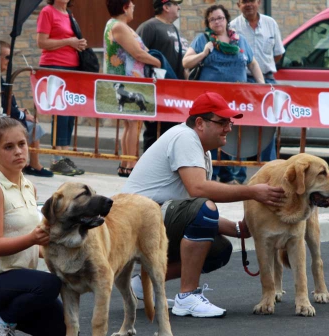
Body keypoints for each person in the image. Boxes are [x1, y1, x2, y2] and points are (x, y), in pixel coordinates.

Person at [121, 92, 284, 317]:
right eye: (222, 122)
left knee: (220, 249)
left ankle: (142, 283)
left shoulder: (199, 148)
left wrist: (238, 229)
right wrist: (253, 192)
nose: (228, 128)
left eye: (230, 122)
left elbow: (187, 211)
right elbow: (197, 191)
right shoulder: (185, 137)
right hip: (136, 224)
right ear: (200, 123)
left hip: (150, 219)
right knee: (205, 208)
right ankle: (187, 297)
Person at [0, 117, 65, 336]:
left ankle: (8, 316)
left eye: (22, 144)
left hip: (23, 280)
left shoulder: (29, 186)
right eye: (9, 147)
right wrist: (33, 239)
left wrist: (62, 256)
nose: (18, 151)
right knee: (49, 284)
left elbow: (34, 244)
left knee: (62, 335)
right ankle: (0, 322)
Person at [183, 4, 264, 185]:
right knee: (212, 136)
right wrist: (204, 53)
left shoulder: (239, 40)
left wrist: (261, 85)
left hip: (237, 102)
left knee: (235, 138)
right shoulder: (202, 39)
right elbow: (186, 62)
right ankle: (209, 177)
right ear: (208, 23)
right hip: (211, 104)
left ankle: (235, 178)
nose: (217, 22)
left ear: (226, 19)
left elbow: (253, 64)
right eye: (212, 19)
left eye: (220, 18)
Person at [104, 0, 162, 176]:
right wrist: (158, 61)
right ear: (124, 7)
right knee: (133, 123)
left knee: (130, 125)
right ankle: (131, 164)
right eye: (132, 4)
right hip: (127, 79)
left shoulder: (116, 25)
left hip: (128, 79)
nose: (134, 7)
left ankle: (125, 163)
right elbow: (137, 53)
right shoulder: (119, 26)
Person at [230, 0, 285, 162]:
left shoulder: (270, 23)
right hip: (242, 80)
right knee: (238, 125)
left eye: (251, 0)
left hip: (268, 81)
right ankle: (237, 175)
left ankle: (269, 168)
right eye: (244, 1)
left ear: (259, 2)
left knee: (269, 124)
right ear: (238, 4)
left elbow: (278, 54)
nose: (248, 4)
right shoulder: (232, 27)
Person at [37, 0, 85, 176]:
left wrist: (78, 44)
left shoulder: (68, 14)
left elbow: (71, 41)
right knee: (60, 112)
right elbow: (41, 42)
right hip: (56, 66)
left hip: (72, 68)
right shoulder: (47, 11)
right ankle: (56, 158)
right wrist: (69, 42)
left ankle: (65, 156)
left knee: (69, 112)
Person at [137, 0, 186, 152]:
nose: (179, 7)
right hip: (155, 90)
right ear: (165, 7)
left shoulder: (172, 28)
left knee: (170, 131)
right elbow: (138, 55)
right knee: (154, 131)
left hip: (173, 90)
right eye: (176, 4)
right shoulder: (149, 26)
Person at [0, 41, 53, 178]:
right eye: (7, 57)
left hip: (8, 115)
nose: (9, 61)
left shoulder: (0, 78)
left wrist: (19, 110)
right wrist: (22, 116)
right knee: (33, 125)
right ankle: (34, 165)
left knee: (32, 123)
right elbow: (3, 105)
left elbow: (7, 103)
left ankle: (32, 164)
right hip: (3, 118)